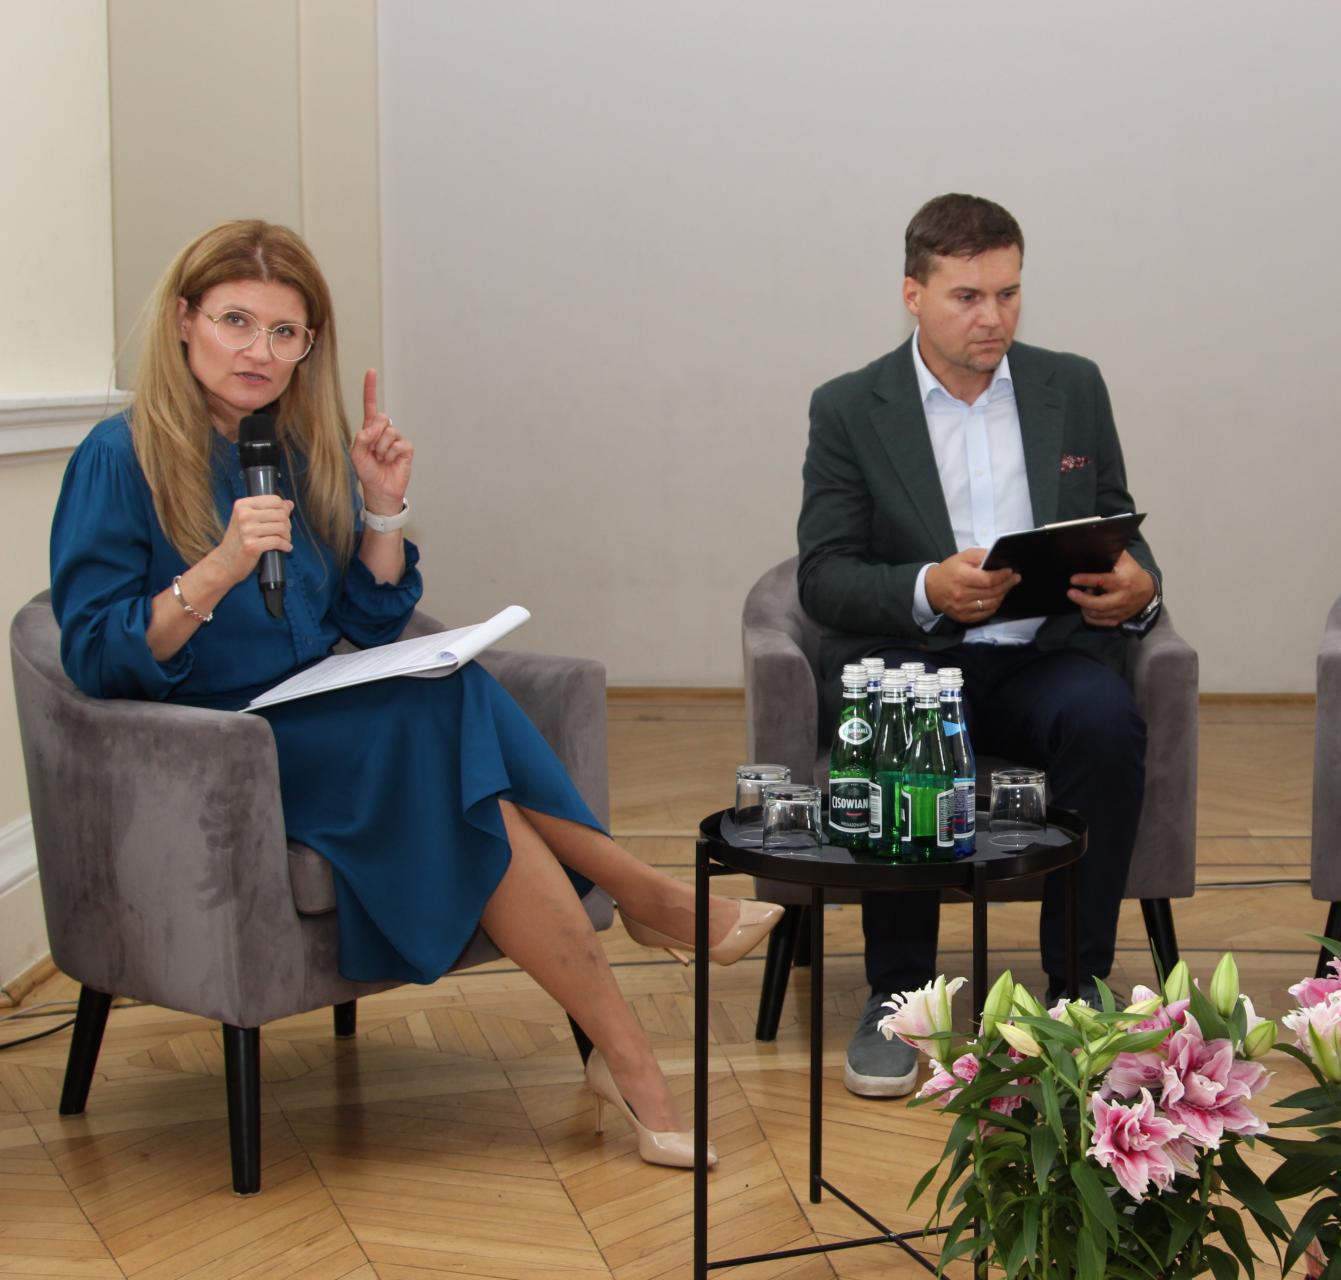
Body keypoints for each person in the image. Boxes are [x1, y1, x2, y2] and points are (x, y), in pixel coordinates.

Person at [48, 220, 781, 1170]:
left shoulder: (294, 447)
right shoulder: (118, 457)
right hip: (214, 755)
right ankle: (644, 901)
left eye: (284, 332)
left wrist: (383, 508)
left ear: (309, 345)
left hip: (325, 717)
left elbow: (369, 617)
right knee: (441, 710)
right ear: (185, 320)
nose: (258, 351)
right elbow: (94, 655)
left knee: (452, 713)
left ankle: (631, 1054)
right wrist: (217, 569)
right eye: (236, 321)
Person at [797, 194, 1163, 1097]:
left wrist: (1141, 587)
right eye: (967, 296)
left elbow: (1117, 522)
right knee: (900, 716)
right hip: (919, 658)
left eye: (1008, 293)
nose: (992, 316)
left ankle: (1077, 991)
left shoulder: (1072, 387)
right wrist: (928, 587)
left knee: (1106, 719)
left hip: (1042, 657)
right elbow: (824, 574)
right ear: (913, 295)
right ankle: (900, 999)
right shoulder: (849, 408)